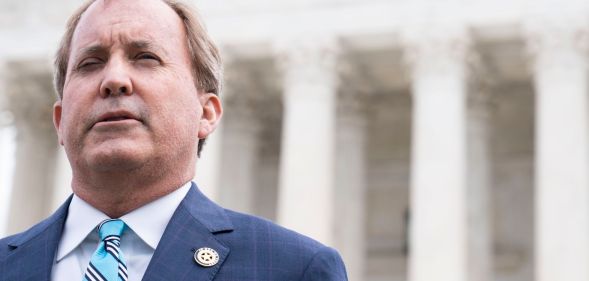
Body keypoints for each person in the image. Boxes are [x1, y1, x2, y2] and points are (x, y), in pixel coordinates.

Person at [0, 0, 348, 280]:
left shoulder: (293, 269)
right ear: (59, 122)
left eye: (146, 57)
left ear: (206, 113)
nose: (114, 79)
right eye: (90, 63)